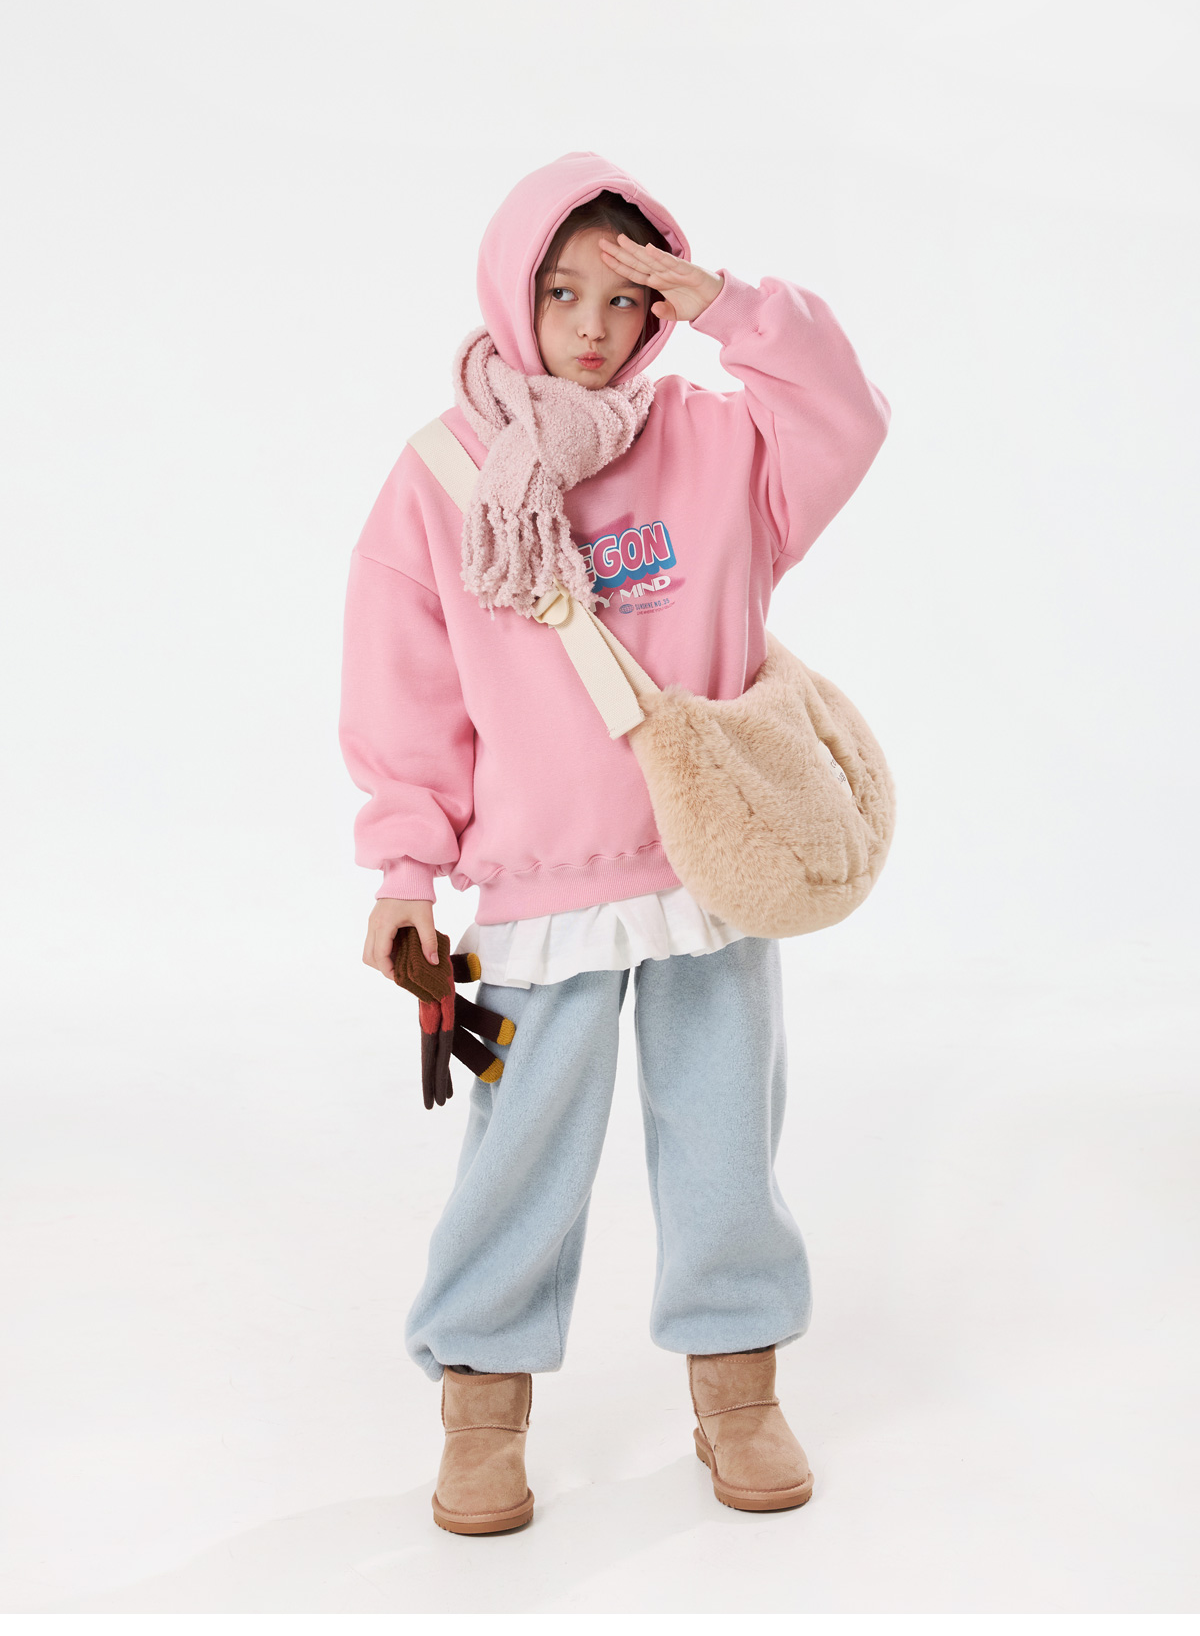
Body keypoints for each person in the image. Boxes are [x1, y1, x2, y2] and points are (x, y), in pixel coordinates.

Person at [338, 150, 890, 1534]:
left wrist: (731, 306)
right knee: (516, 1146)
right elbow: (405, 693)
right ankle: (482, 1409)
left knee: (726, 1140)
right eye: (562, 291)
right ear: (512, 293)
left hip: (715, 866)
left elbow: (849, 413)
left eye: (626, 297)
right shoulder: (442, 477)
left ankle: (739, 1389)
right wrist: (407, 872)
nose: (593, 327)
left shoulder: (720, 445)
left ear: (658, 310)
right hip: (535, 889)